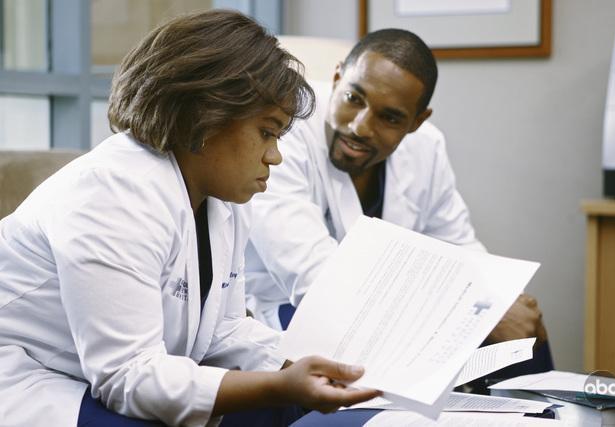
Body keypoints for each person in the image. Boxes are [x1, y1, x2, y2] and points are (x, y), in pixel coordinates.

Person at [0, 10, 380, 427]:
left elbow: (224, 331)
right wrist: (281, 384)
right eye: (267, 132)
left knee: (289, 406)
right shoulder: (112, 192)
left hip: (97, 375)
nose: (275, 156)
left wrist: (317, 362)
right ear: (206, 116)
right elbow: (127, 377)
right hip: (30, 379)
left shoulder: (221, 199)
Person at [245, 29, 549, 352]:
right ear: (336, 77)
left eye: (389, 117)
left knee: (526, 335)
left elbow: (462, 249)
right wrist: (472, 313)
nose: (360, 127)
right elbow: (318, 282)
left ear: (417, 121)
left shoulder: (426, 147)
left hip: (398, 314)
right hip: (294, 312)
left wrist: (499, 302)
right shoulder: (287, 129)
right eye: (353, 98)